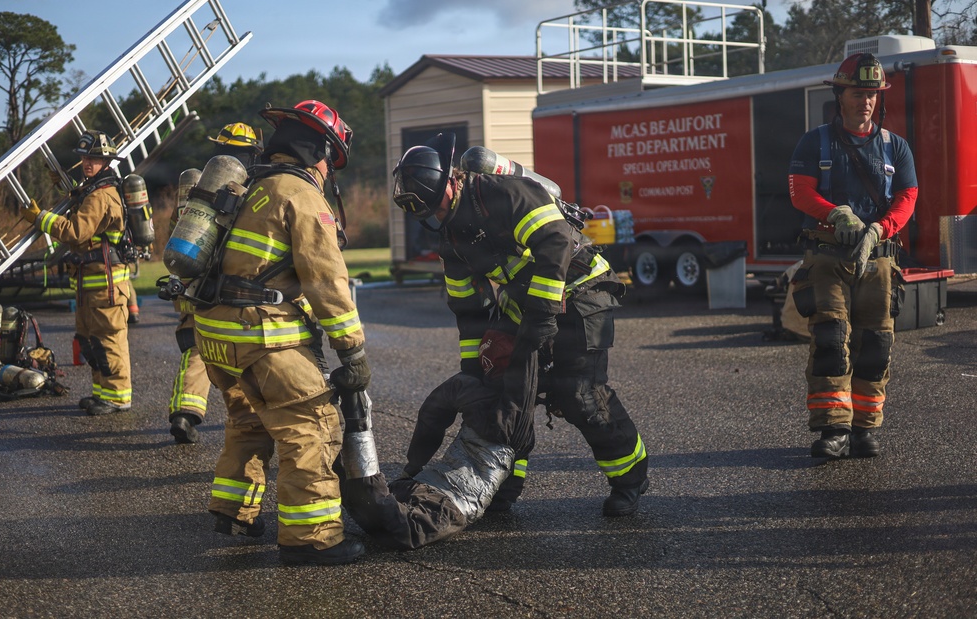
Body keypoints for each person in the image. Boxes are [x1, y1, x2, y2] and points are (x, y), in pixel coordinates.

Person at [391, 133, 649, 517]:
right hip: (525, 305)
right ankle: (502, 488)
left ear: (449, 183)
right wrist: (474, 368)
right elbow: (469, 310)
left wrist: (542, 316)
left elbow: (555, 243)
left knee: (578, 395)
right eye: (430, 214)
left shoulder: (502, 194)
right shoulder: (452, 241)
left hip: (581, 289)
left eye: (438, 208)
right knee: (502, 394)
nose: (438, 218)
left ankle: (630, 478)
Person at [191, 100, 368, 566]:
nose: (329, 171)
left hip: (215, 333)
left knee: (249, 420)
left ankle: (234, 510)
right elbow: (326, 279)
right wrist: (352, 350)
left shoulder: (248, 184)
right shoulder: (300, 194)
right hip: (261, 337)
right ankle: (311, 537)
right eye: (330, 160)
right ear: (318, 152)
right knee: (311, 427)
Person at [787, 53, 918, 459]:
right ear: (840, 95)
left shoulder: (895, 147)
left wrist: (880, 228)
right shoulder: (814, 142)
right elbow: (799, 191)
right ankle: (834, 429)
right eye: (858, 94)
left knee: (876, 345)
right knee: (831, 340)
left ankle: (864, 430)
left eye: (873, 95)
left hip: (878, 263)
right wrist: (835, 213)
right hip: (827, 259)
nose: (867, 101)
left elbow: (907, 197)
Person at [340, 330, 538, 550]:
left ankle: (350, 440)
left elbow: (430, 417)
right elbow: (527, 364)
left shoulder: (466, 385)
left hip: (417, 484)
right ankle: (357, 444)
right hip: (448, 504)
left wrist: (414, 465)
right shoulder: (516, 418)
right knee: (401, 531)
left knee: (366, 512)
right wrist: (503, 500)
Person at [22, 130, 133, 416]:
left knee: (108, 341)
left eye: (93, 158)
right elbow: (79, 201)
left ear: (106, 162)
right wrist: (63, 185)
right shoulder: (93, 191)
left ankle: (118, 397)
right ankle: (102, 393)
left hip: (105, 285)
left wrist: (40, 218)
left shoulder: (101, 195)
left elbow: (76, 231)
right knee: (91, 341)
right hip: (90, 283)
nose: (87, 163)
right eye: (84, 158)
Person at [167, 122, 263, 444]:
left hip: (195, 283)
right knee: (244, 356)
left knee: (197, 348)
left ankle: (185, 412)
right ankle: (249, 422)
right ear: (252, 154)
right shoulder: (257, 188)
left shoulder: (199, 187)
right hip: (235, 286)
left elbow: (176, 229)